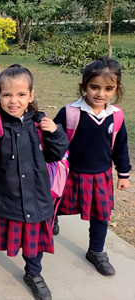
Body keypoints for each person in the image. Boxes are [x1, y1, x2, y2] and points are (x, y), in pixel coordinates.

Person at [0, 65, 68, 300]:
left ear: (31, 96)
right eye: (6, 95)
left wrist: (56, 132)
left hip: (37, 196)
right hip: (6, 196)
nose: (13, 101)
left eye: (21, 94)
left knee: (33, 242)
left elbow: (55, 154)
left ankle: (33, 273)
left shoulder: (41, 124)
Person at [53, 57, 131, 276]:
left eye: (108, 89)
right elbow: (54, 141)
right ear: (84, 86)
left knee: (101, 215)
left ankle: (96, 250)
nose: (100, 94)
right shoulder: (69, 113)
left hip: (101, 176)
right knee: (54, 205)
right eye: (94, 87)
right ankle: (49, 225)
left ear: (117, 89)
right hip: (70, 175)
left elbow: (121, 146)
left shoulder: (115, 116)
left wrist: (123, 174)